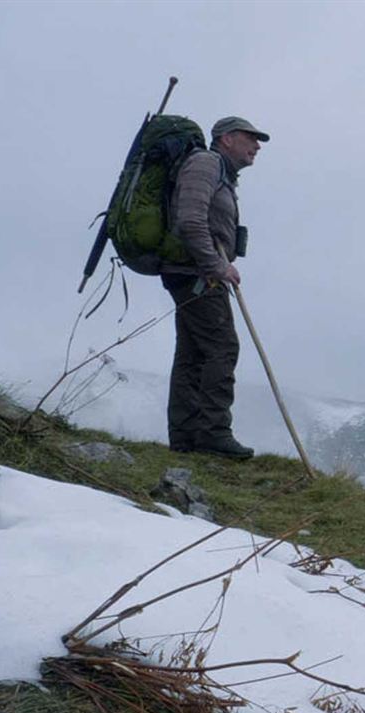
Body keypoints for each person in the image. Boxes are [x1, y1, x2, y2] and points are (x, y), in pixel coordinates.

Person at [160, 116, 269, 459]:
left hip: (195, 272)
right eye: (250, 138)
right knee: (222, 347)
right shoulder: (206, 164)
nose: (257, 146)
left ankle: (186, 436)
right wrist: (218, 266)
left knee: (193, 353)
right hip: (197, 275)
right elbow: (190, 220)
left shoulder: (221, 172)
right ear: (226, 139)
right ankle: (213, 433)